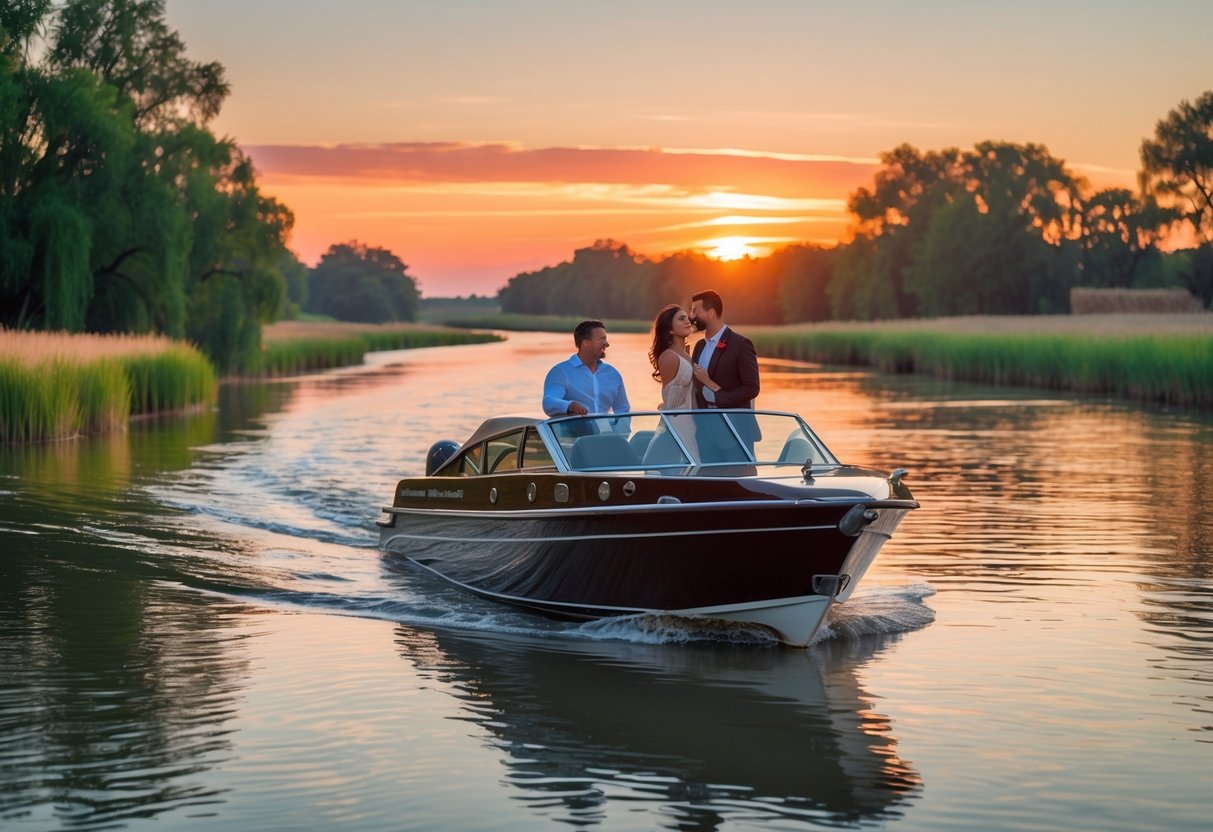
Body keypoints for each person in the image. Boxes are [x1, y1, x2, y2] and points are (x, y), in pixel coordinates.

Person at [542, 319, 630, 417]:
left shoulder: (613, 374)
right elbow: (548, 402)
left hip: (606, 433)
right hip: (574, 432)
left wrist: (620, 431)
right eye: (602, 339)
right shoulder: (561, 372)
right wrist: (569, 405)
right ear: (586, 343)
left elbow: (623, 409)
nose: (607, 344)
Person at [689, 289, 759, 409]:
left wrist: (720, 395)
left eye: (695, 311)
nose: (691, 316)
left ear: (710, 313)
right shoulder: (699, 346)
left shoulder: (741, 345)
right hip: (702, 422)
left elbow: (752, 388)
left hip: (732, 422)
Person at [647, 304, 695, 410]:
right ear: (670, 329)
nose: (687, 322)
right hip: (678, 423)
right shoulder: (669, 357)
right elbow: (671, 404)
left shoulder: (685, 355)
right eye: (681, 319)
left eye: (687, 318)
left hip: (694, 420)